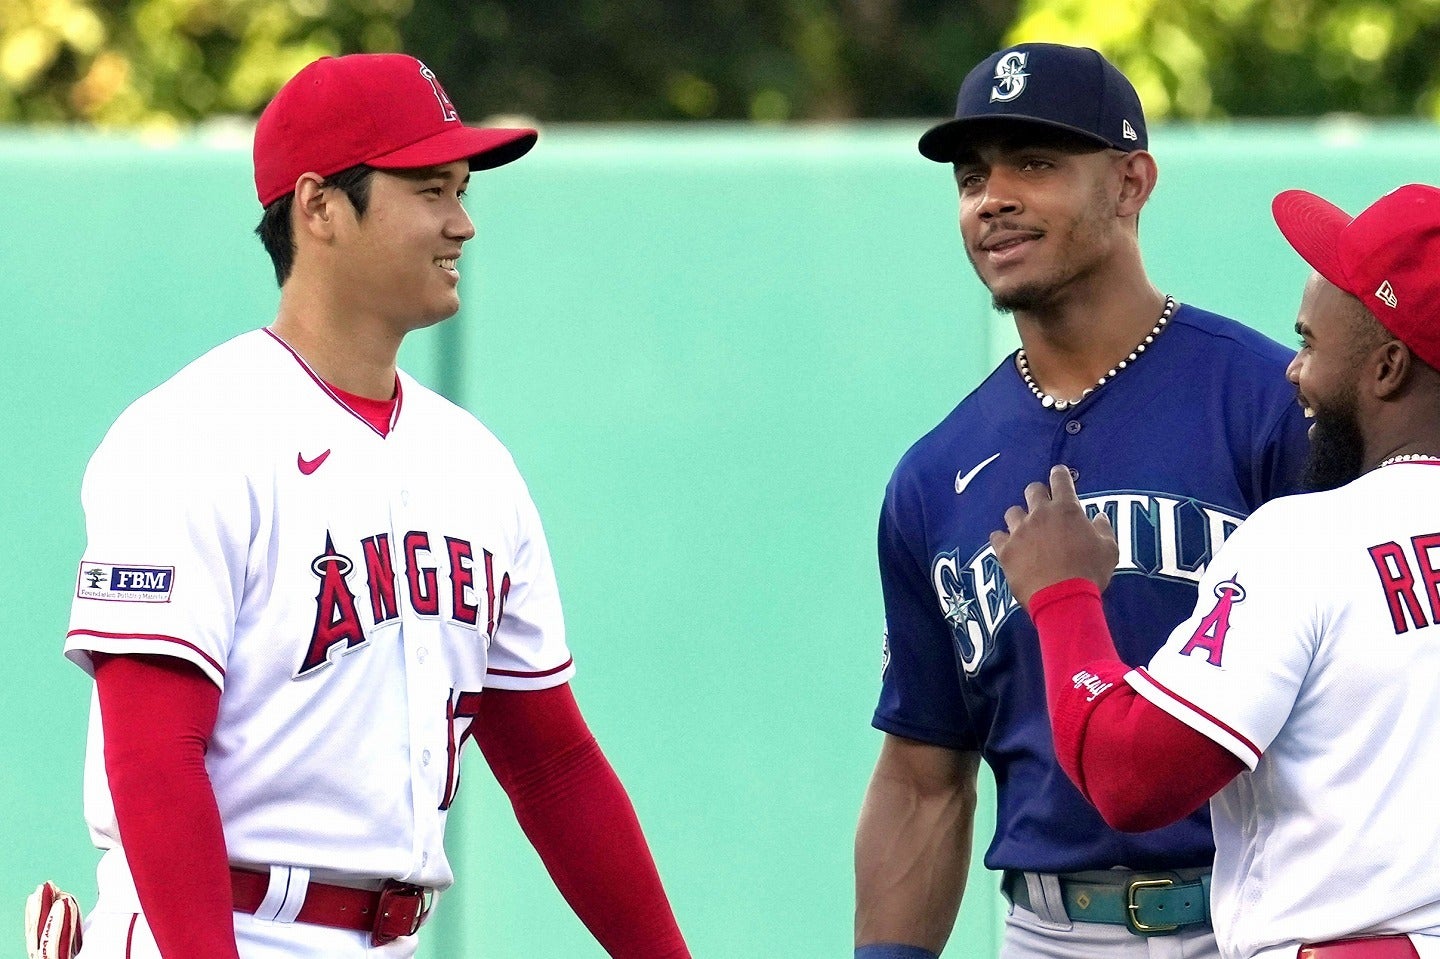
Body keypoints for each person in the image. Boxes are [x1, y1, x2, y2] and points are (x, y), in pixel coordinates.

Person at [56, 53, 691, 959]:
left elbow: (554, 766)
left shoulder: (474, 466)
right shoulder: (190, 435)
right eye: (430, 188)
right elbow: (155, 759)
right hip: (210, 926)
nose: (463, 223)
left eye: (463, 188)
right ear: (318, 208)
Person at [853, 42, 1311, 959]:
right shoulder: (934, 474)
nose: (993, 198)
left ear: (1131, 183)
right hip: (1047, 930)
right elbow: (923, 776)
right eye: (973, 177)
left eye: (1035, 163)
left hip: (1260, 919)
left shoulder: (1272, 404)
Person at [990, 183, 1440, 959]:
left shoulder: (1308, 540)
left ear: (1388, 368)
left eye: (1309, 343)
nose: (1293, 372)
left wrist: (1064, 596)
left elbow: (1130, 776)